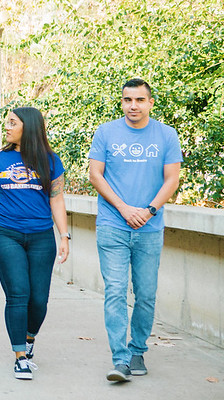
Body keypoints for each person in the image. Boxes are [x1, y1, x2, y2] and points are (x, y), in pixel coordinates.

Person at [89, 78, 182, 382]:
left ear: (150, 103)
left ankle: (137, 349)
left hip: (149, 228)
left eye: (140, 100)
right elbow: (96, 175)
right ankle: (120, 360)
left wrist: (149, 210)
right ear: (122, 103)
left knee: (145, 294)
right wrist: (125, 208)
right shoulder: (106, 132)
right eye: (128, 100)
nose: (133, 106)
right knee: (115, 291)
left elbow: (172, 179)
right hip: (113, 225)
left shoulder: (166, 135)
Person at [0, 107, 70, 380]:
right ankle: (20, 357)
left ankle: (29, 338)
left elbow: (57, 199)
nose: (7, 127)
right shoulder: (1, 159)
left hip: (41, 236)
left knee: (39, 300)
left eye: (12, 123)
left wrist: (64, 235)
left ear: (28, 127)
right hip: (7, 234)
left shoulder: (51, 161)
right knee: (19, 293)